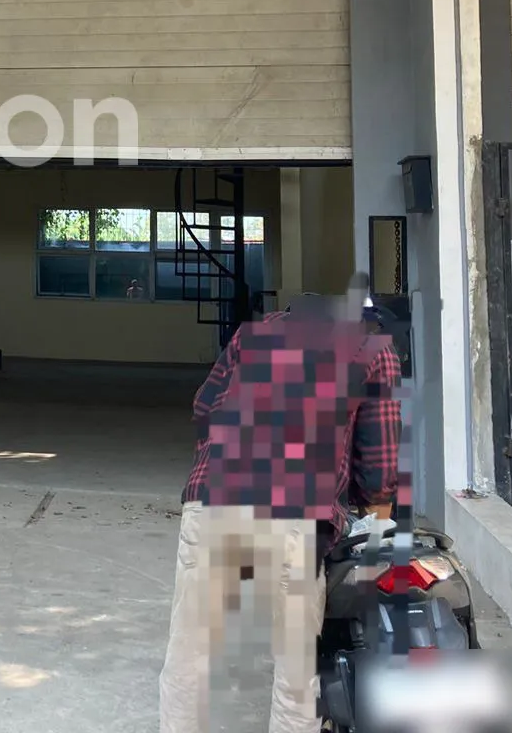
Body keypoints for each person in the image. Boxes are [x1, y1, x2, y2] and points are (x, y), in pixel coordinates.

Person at [157, 273, 403, 733]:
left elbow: (204, 407)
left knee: (190, 654)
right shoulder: (374, 349)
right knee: (295, 675)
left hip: (213, 503)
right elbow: (378, 460)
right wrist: (375, 523)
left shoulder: (255, 333)